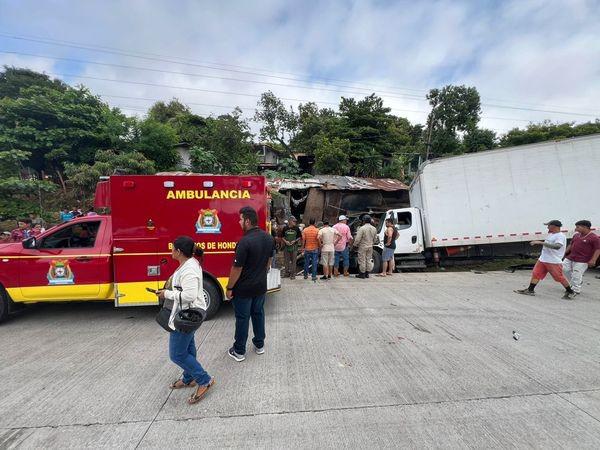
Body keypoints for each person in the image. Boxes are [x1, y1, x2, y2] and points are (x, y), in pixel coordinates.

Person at [157, 236, 214, 405]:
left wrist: (166, 294)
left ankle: (204, 379)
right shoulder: (188, 263)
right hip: (185, 313)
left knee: (177, 354)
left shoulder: (189, 269)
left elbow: (189, 295)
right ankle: (189, 378)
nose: (171, 251)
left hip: (187, 315)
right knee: (188, 348)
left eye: (172, 248)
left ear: (179, 252)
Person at [225, 206, 275, 362]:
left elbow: (237, 268)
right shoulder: (268, 238)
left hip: (244, 290)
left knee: (242, 318)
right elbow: (268, 262)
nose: (239, 222)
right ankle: (259, 345)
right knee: (258, 314)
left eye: (240, 219)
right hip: (260, 287)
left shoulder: (244, 242)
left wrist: (229, 287)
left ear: (247, 221)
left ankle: (239, 351)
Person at [515, 220, 576, 300]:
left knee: (558, 277)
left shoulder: (560, 236)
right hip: (543, 259)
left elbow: (557, 246)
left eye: (549, 225)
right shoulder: (551, 234)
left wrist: (541, 243)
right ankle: (530, 290)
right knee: (536, 273)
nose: (547, 227)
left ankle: (570, 291)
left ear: (554, 226)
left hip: (553, 261)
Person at [562, 220, 600, 296]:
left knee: (577, 273)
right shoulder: (576, 235)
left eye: (578, 227)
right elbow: (571, 244)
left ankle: (575, 289)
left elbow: (598, 249)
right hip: (571, 257)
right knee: (563, 269)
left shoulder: (594, 238)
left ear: (585, 227)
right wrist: (564, 253)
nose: (576, 229)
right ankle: (577, 281)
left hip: (583, 260)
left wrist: (593, 260)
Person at [353, 215, 377, 279]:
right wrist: (371, 243)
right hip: (370, 246)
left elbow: (357, 239)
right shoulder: (374, 228)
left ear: (363, 221)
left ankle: (362, 274)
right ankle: (367, 274)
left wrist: (355, 245)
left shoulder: (362, 228)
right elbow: (375, 238)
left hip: (363, 246)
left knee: (362, 260)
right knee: (368, 259)